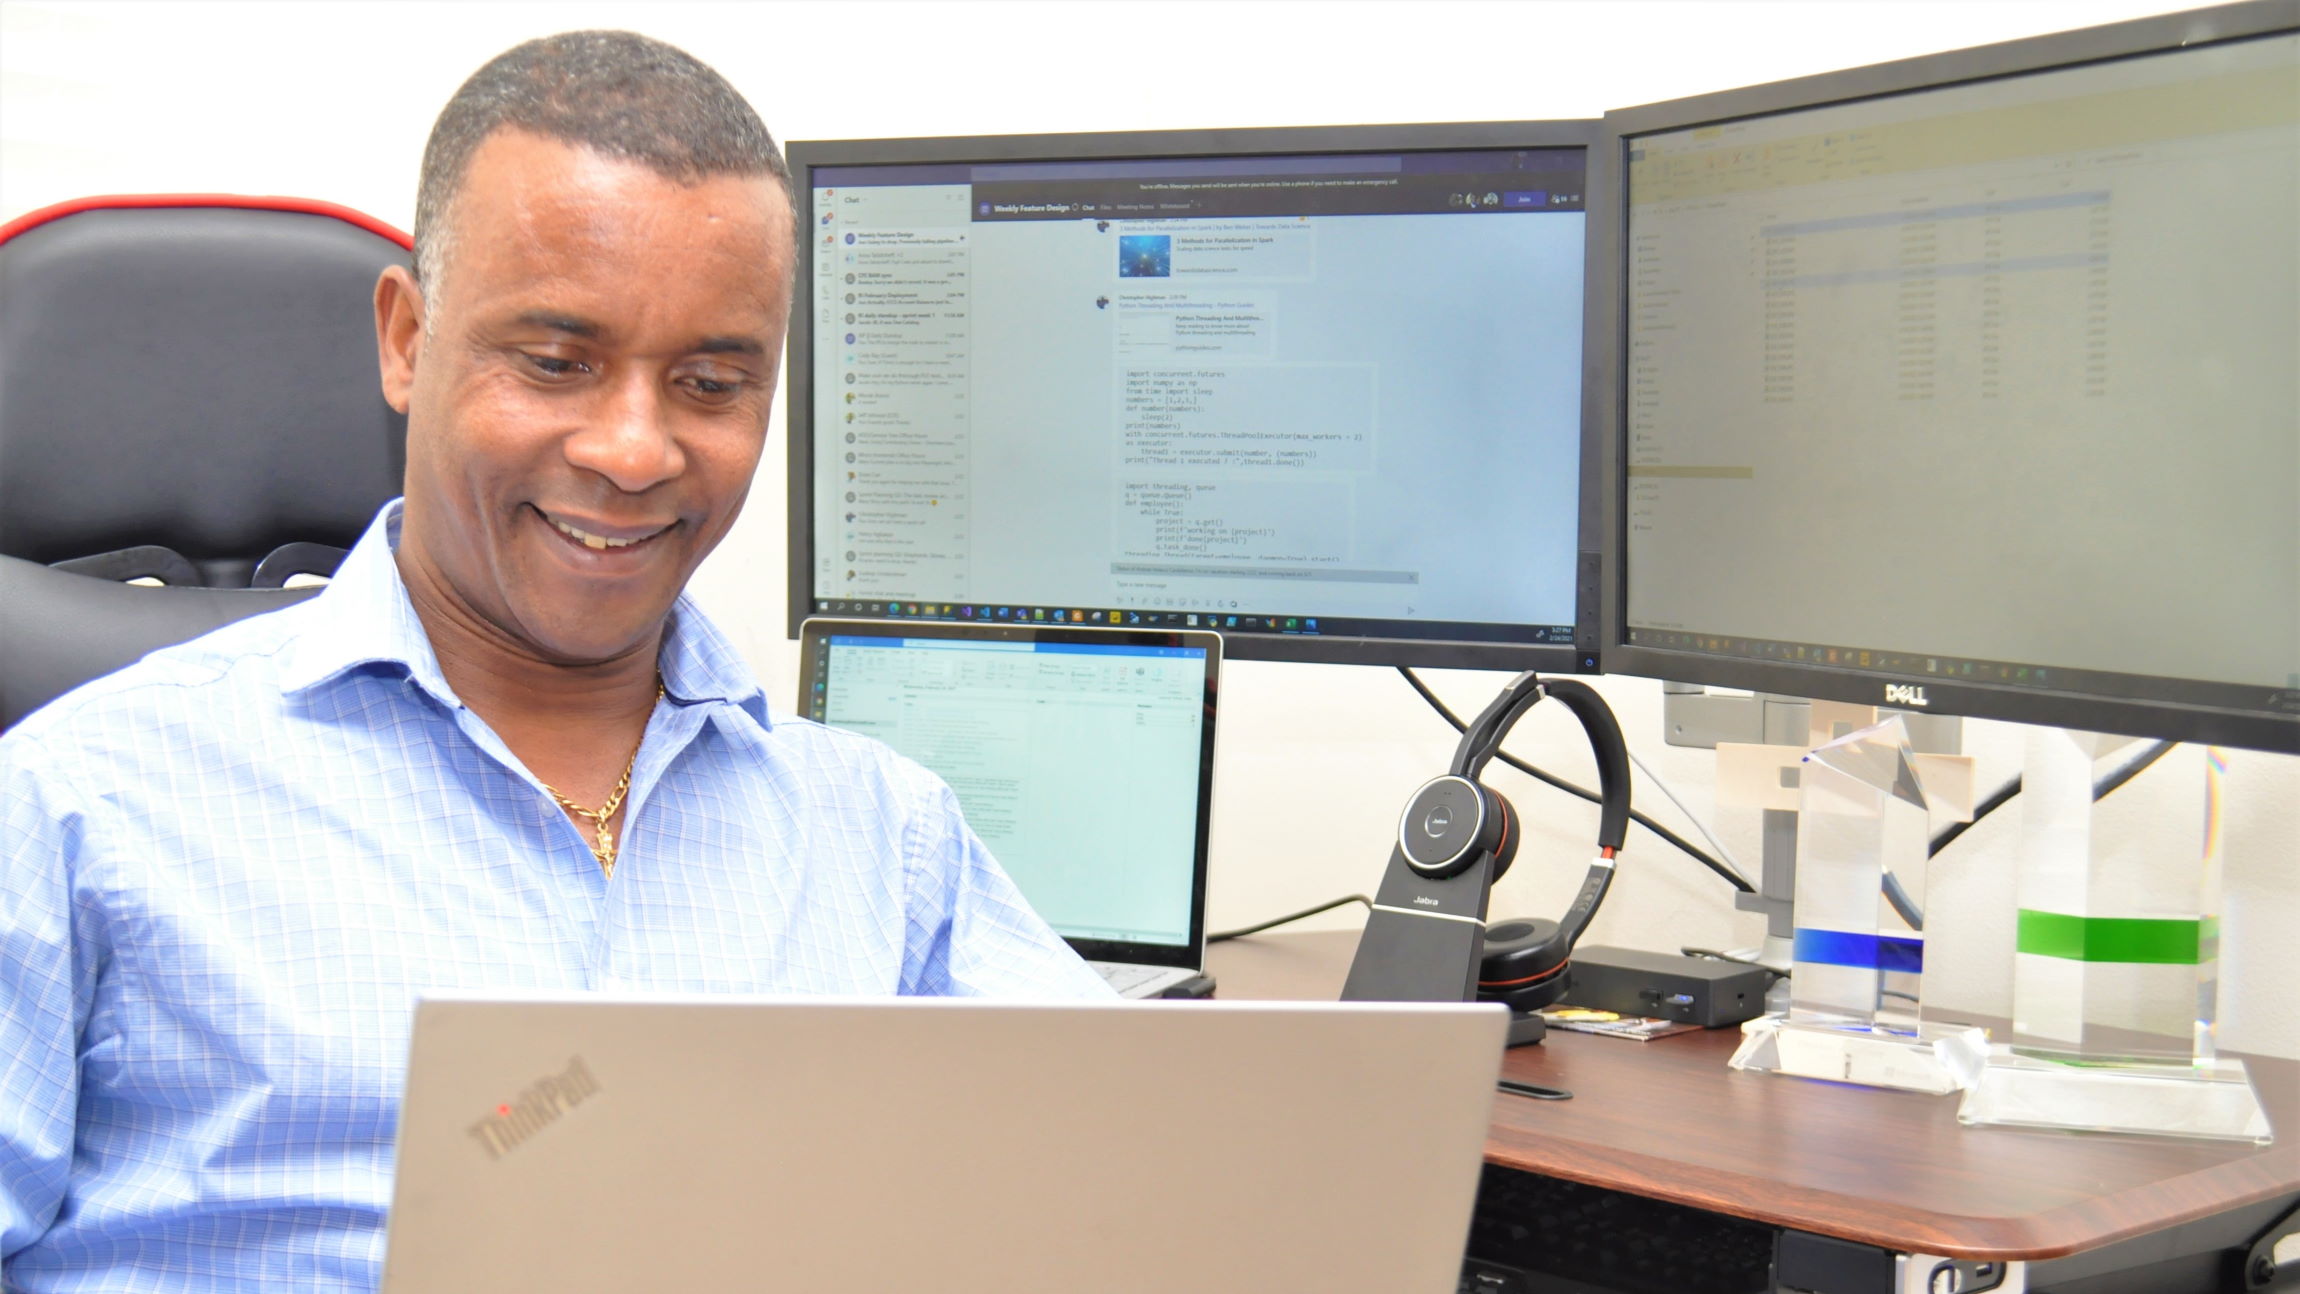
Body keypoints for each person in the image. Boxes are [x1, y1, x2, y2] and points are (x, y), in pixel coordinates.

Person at [0, 31, 1108, 1292]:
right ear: (407, 340)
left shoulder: (883, 839)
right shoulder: (78, 805)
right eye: (555, 362)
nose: (634, 451)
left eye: (709, 382)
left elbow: (1147, 1181)